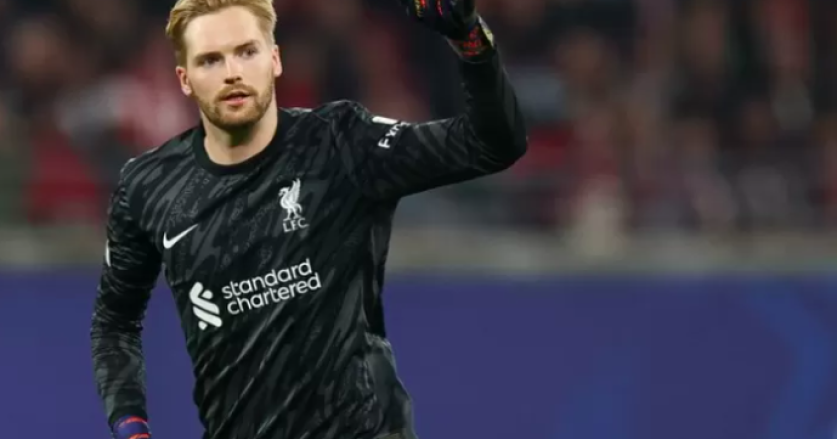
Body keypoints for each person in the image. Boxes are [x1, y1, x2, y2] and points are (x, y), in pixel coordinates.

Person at [90, 0, 527, 437]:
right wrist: (132, 428)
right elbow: (115, 324)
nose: (232, 72)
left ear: (275, 59)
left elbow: (491, 145)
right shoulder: (148, 186)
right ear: (184, 79)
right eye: (210, 60)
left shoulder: (341, 142)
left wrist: (471, 41)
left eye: (247, 51)